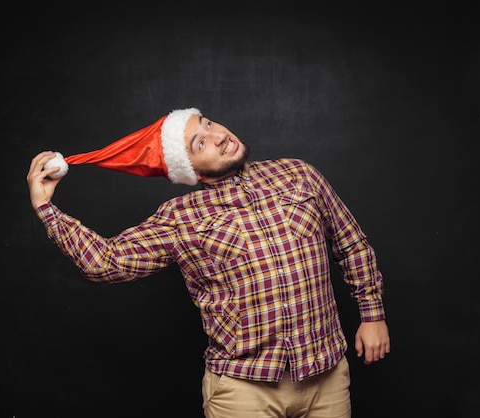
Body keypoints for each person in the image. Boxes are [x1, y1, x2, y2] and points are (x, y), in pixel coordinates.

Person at [26, 107, 390, 418]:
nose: (217, 135)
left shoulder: (299, 174)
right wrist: (46, 208)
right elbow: (105, 261)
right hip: (244, 391)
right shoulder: (179, 217)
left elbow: (351, 242)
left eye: (208, 123)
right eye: (200, 142)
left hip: (326, 377)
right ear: (192, 171)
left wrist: (372, 314)